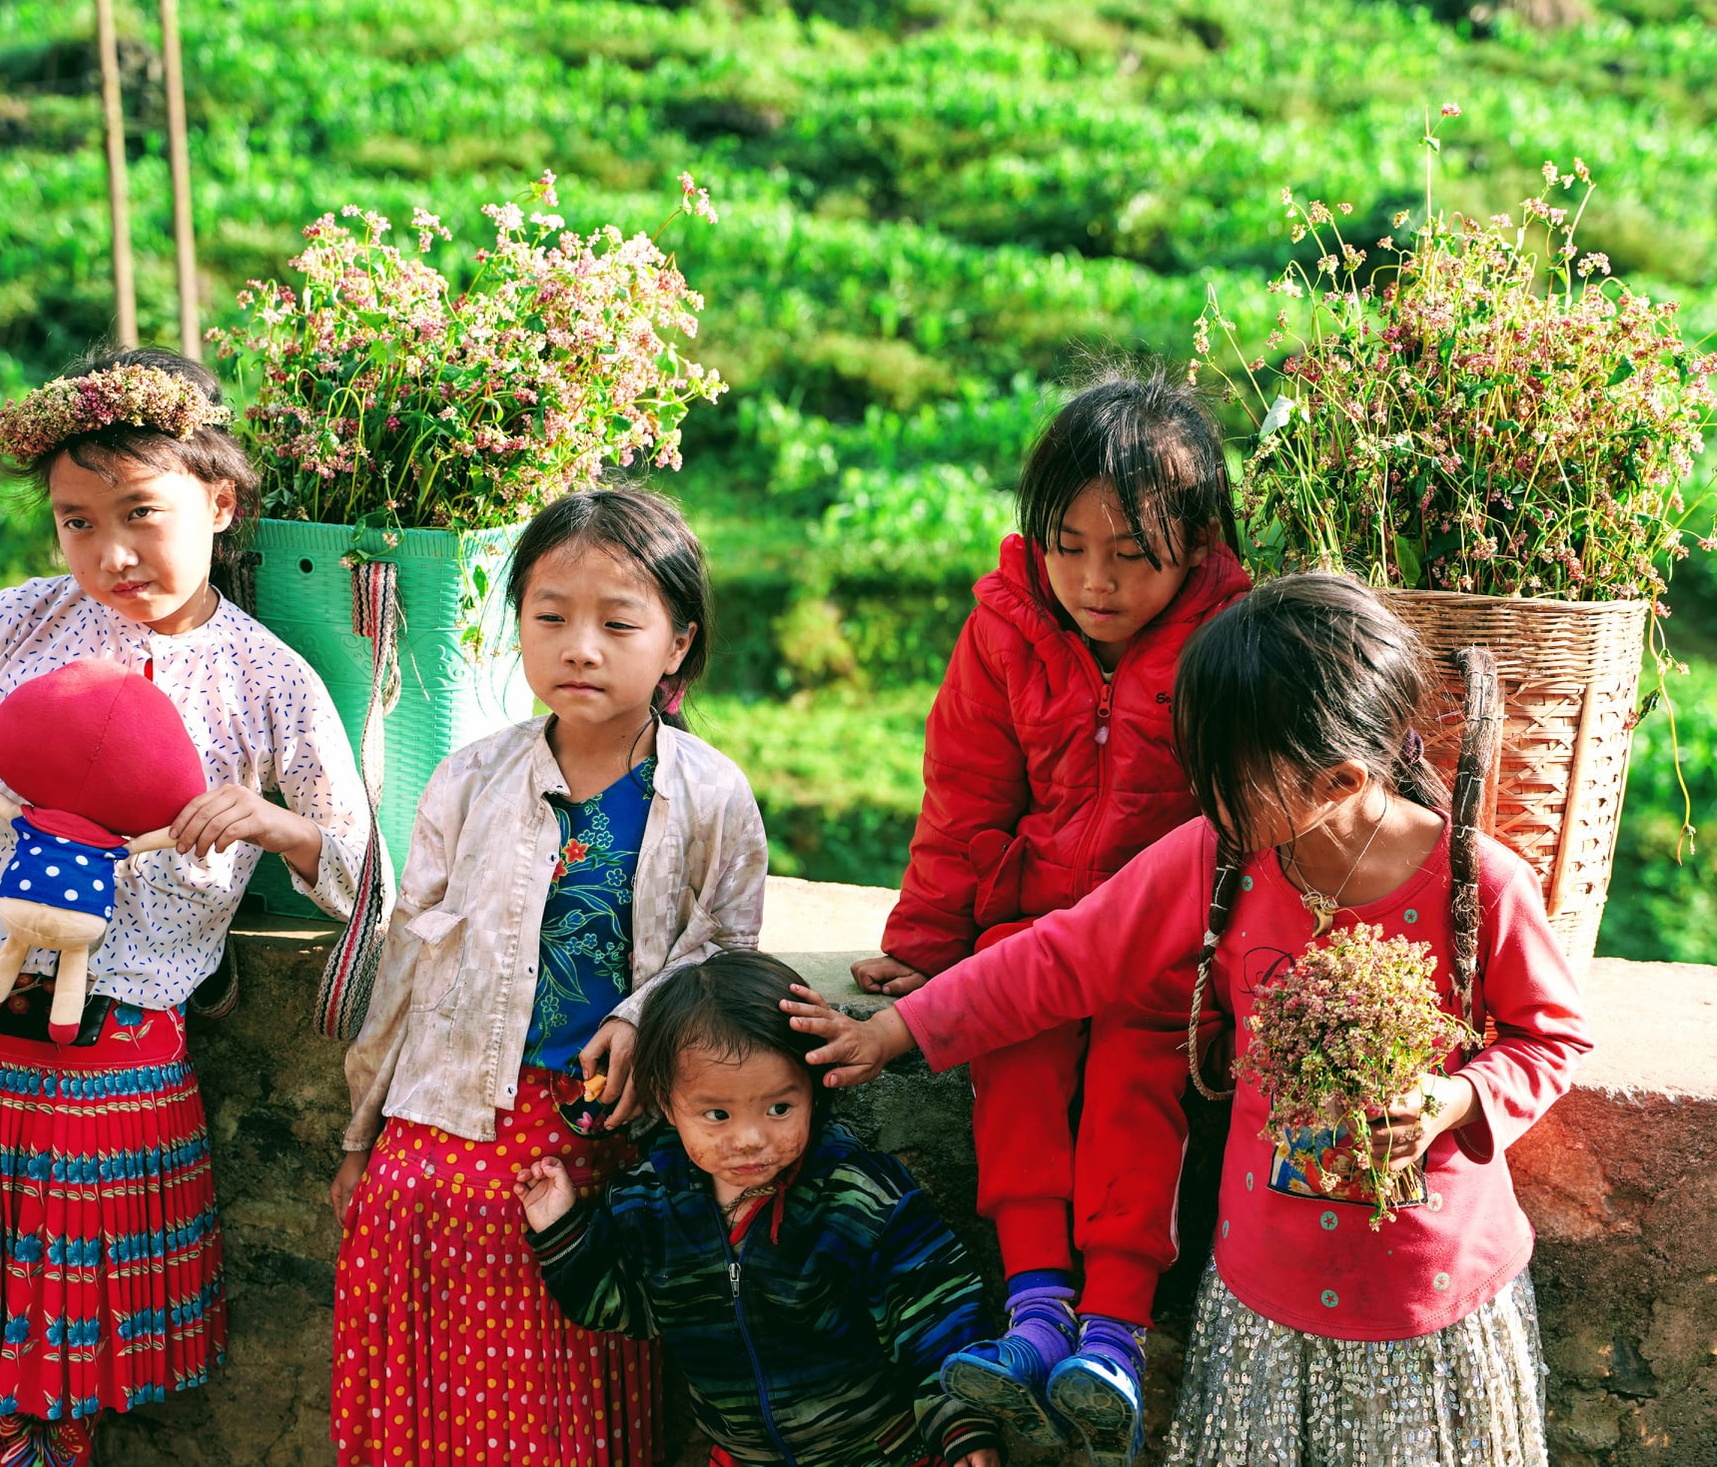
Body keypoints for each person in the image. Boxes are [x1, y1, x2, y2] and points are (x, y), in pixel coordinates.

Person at [786, 574, 1591, 1467]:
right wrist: (896, 1032)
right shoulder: (1223, 858)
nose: (1206, 796)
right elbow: (1063, 956)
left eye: (1227, 775)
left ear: (1340, 780)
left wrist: (1454, 1098)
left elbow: (1551, 1037)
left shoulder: (1478, 886)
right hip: (1263, 1300)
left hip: (1433, 1302)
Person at [0, 347, 374, 1463]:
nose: (110, 554)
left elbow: (363, 870)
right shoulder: (21, 624)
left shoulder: (267, 680)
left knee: (53, 1340)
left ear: (220, 504)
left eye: (140, 514)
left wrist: (277, 827)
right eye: (77, 522)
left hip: (109, 1055)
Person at [849, 366, 1248, 1448]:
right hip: (1028, 929)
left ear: (1198, 539)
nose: (1094, 580)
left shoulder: (1231, 644)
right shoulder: (1005, 630)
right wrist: (929, 943)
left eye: (1132, 554)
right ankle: (1034, 1306)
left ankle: (1113, 1324)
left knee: (1137, 1063)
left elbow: (1249, 811)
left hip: (1164, 951)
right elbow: (967, 792)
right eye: (1069, 546)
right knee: (1009, 1039)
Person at [332, 488, 770, 1467]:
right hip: (438, 1154)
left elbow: (728, 961)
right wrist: (360, 1139)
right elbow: (407, 960)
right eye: (550, 617)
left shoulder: (713, 798)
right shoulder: (469, 779)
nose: (580, 646)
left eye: (619, 623)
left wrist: (644, 1013)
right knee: (428, 1422)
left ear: (678, 643)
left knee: (557, 1422)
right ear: (517, 628)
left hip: (599, 1164)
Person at [515, 951, 1004, 1467]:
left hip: (881, 1453)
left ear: (814, 1088)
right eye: (717, 1114)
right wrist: (561, 1231)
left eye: (779, 1108)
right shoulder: (649, 1203)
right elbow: (626, 1310)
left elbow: (935, 1313)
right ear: (664, 1099)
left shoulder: (856, 1196)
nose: (749, 1140)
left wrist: (963, 1423)